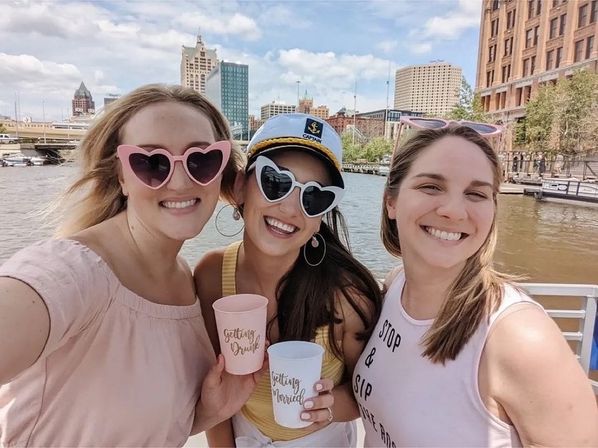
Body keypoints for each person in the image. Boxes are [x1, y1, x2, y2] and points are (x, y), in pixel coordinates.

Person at [0, 84, 263, 446]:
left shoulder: (185, 279)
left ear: (220, 173)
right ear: (122, 176)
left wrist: (207, 411)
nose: (181, 180)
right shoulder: (72, 272)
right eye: (152, 162)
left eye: (201, 160)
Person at [353, 122, 598, 447]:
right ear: (391, 202)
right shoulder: (394, 287)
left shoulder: (519, 339)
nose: (453, 211)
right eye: (431, 187)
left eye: (476, 194)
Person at [194, 113, 383, 447]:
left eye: (314, 197)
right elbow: (220, 400)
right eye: (276, 182)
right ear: (240, 186)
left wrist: (329, 406)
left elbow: (368, 391)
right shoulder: (211, 275)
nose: (291, 208)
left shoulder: (346, 295)